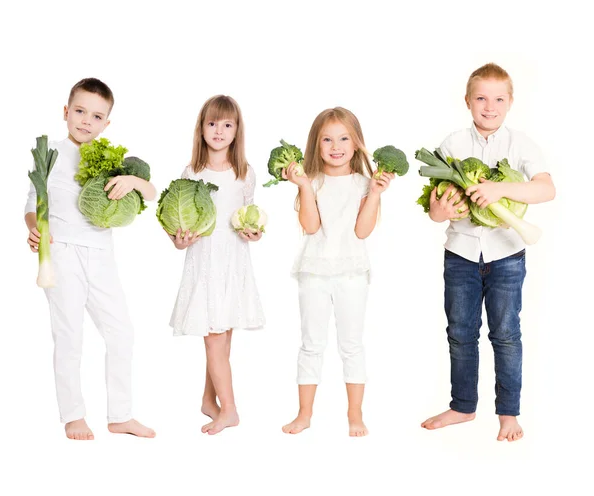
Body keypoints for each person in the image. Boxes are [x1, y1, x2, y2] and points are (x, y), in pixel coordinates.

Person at [420, 63, 556, 441]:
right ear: (467, 101)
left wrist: (499, 191)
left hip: (508, 255)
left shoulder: (521, 144)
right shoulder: (451, 144)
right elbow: (434, 209)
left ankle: (508, 414)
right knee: (461, 333)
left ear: (510, 102)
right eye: (481, 98)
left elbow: (546, 189)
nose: (489, 106)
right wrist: (441, 210)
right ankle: (463, 407)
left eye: (498, 99)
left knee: (507, 334)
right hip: (460, 255)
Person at [25, 78, 156, 440]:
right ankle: (73, 416)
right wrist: (36, 229)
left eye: (97, 115)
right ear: (66, 112)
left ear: (106, 124)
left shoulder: (110, 159)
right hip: (62, 252)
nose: (86, 120)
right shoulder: (48, 152)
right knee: (69, 336)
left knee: (121, 333)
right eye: (80, 111)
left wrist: (133, 181)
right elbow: (31, 206)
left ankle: (120, 416)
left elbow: (152, 191)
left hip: (102, 255)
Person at [281, 107, 394, 436]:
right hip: (314, 271)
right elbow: (311, 226)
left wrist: (374, 194)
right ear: (316, 145)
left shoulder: (365, 183)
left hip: (351, 272)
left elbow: (362, 231)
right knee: (311, 343)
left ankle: (355, 414)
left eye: (344, 138)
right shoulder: (311, 181)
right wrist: (302, 186)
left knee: (352, 344)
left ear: (357, 143)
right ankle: (304, 414)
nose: (336, 145)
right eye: (327, 139)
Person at [168, 95, 265, 435]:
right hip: (205, 261)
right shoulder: (191, 172)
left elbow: (248, 215)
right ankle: (231, 411)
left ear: (237, 130)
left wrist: (254, 233)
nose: (219, 131)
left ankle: (210, 401)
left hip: (234, 262)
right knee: (213, 337)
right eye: (212, 123)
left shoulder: (244, 172)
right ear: (201, 128)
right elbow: (177, 225)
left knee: (222, 340)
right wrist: (178, 240)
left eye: (227, 124)